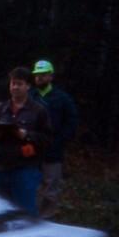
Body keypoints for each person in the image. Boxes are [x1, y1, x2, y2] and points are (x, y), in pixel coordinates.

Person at [0, 66, 52, 216]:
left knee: (25, 214)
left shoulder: (39, 111)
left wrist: (25, 135)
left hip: (24, 170)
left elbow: (47, 139)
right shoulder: (0, 110)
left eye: (19, 84)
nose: (15, 87)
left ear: (28, 86)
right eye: (12, 83)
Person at [30, 59, 78, 218]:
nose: (39, 78)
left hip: (53, 151)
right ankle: (30, 217)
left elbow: (71, 123)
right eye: (37, 75)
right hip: (31, 149)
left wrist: (59, 141)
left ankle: (46, 219)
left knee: (50, 188)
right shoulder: (30, 96)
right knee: (31, 185)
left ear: (51, 76)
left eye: (43, 75)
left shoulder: (62, 99)